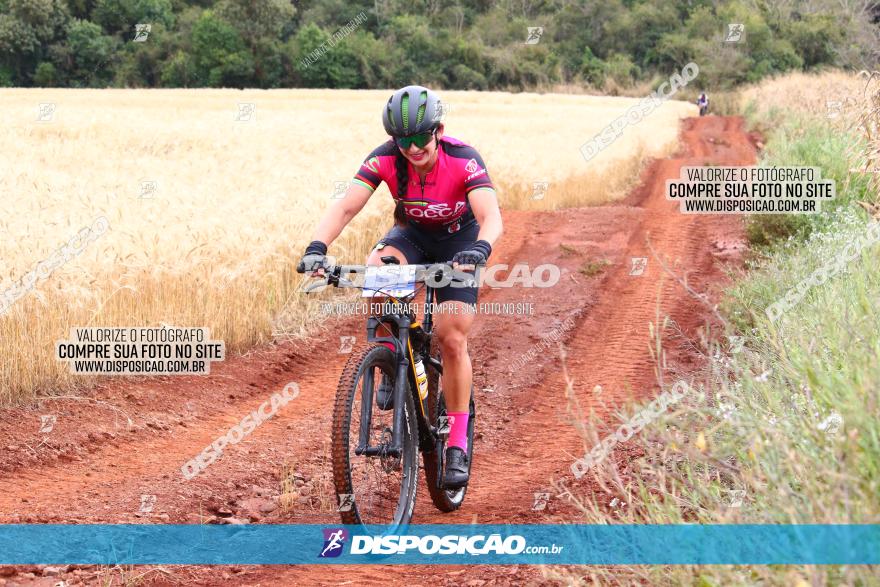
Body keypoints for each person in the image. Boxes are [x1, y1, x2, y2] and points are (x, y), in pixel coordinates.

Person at [297, 85, 503, 488]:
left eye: (420, 138)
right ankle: (392, 358)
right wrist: (317, 247)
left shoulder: (463, 159)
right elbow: (346, 205)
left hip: (460, 242)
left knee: (450, 335)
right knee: (376, 271)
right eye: (403, 140)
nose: (412, 148)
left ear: (438, 131)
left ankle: (457, 441)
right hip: (412, 236)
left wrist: (480, 248)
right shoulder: (387, 157)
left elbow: (491, 216)